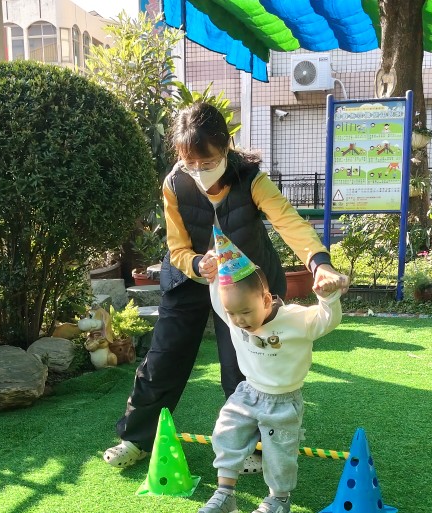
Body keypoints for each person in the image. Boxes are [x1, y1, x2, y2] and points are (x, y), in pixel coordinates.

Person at [103, 102, 348, 469]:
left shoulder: (251, 179)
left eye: (208, 161)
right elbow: (177, 247)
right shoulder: (174, 183)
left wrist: (320, 264)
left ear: (226, 146)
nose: (199, 171)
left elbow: (289, 222)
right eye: (190, 163)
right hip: (190, 278)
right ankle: (136, 439)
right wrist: (197, 264)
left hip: (246, 285)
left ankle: (254, 447)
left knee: (243, 367)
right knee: (163, 359)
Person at [195, 238, 345, 513]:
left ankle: (280, 499)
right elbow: (218, 295)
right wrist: (213, 269)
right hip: (248, 392)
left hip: (283, 401)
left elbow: (327, 321)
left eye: (246, 313)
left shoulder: (295, 319)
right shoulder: (232, 313)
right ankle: (225, 494)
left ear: (265, 300)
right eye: (232, 314)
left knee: (279, 454)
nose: (238, 321)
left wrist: (328, 298)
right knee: (225, 433)